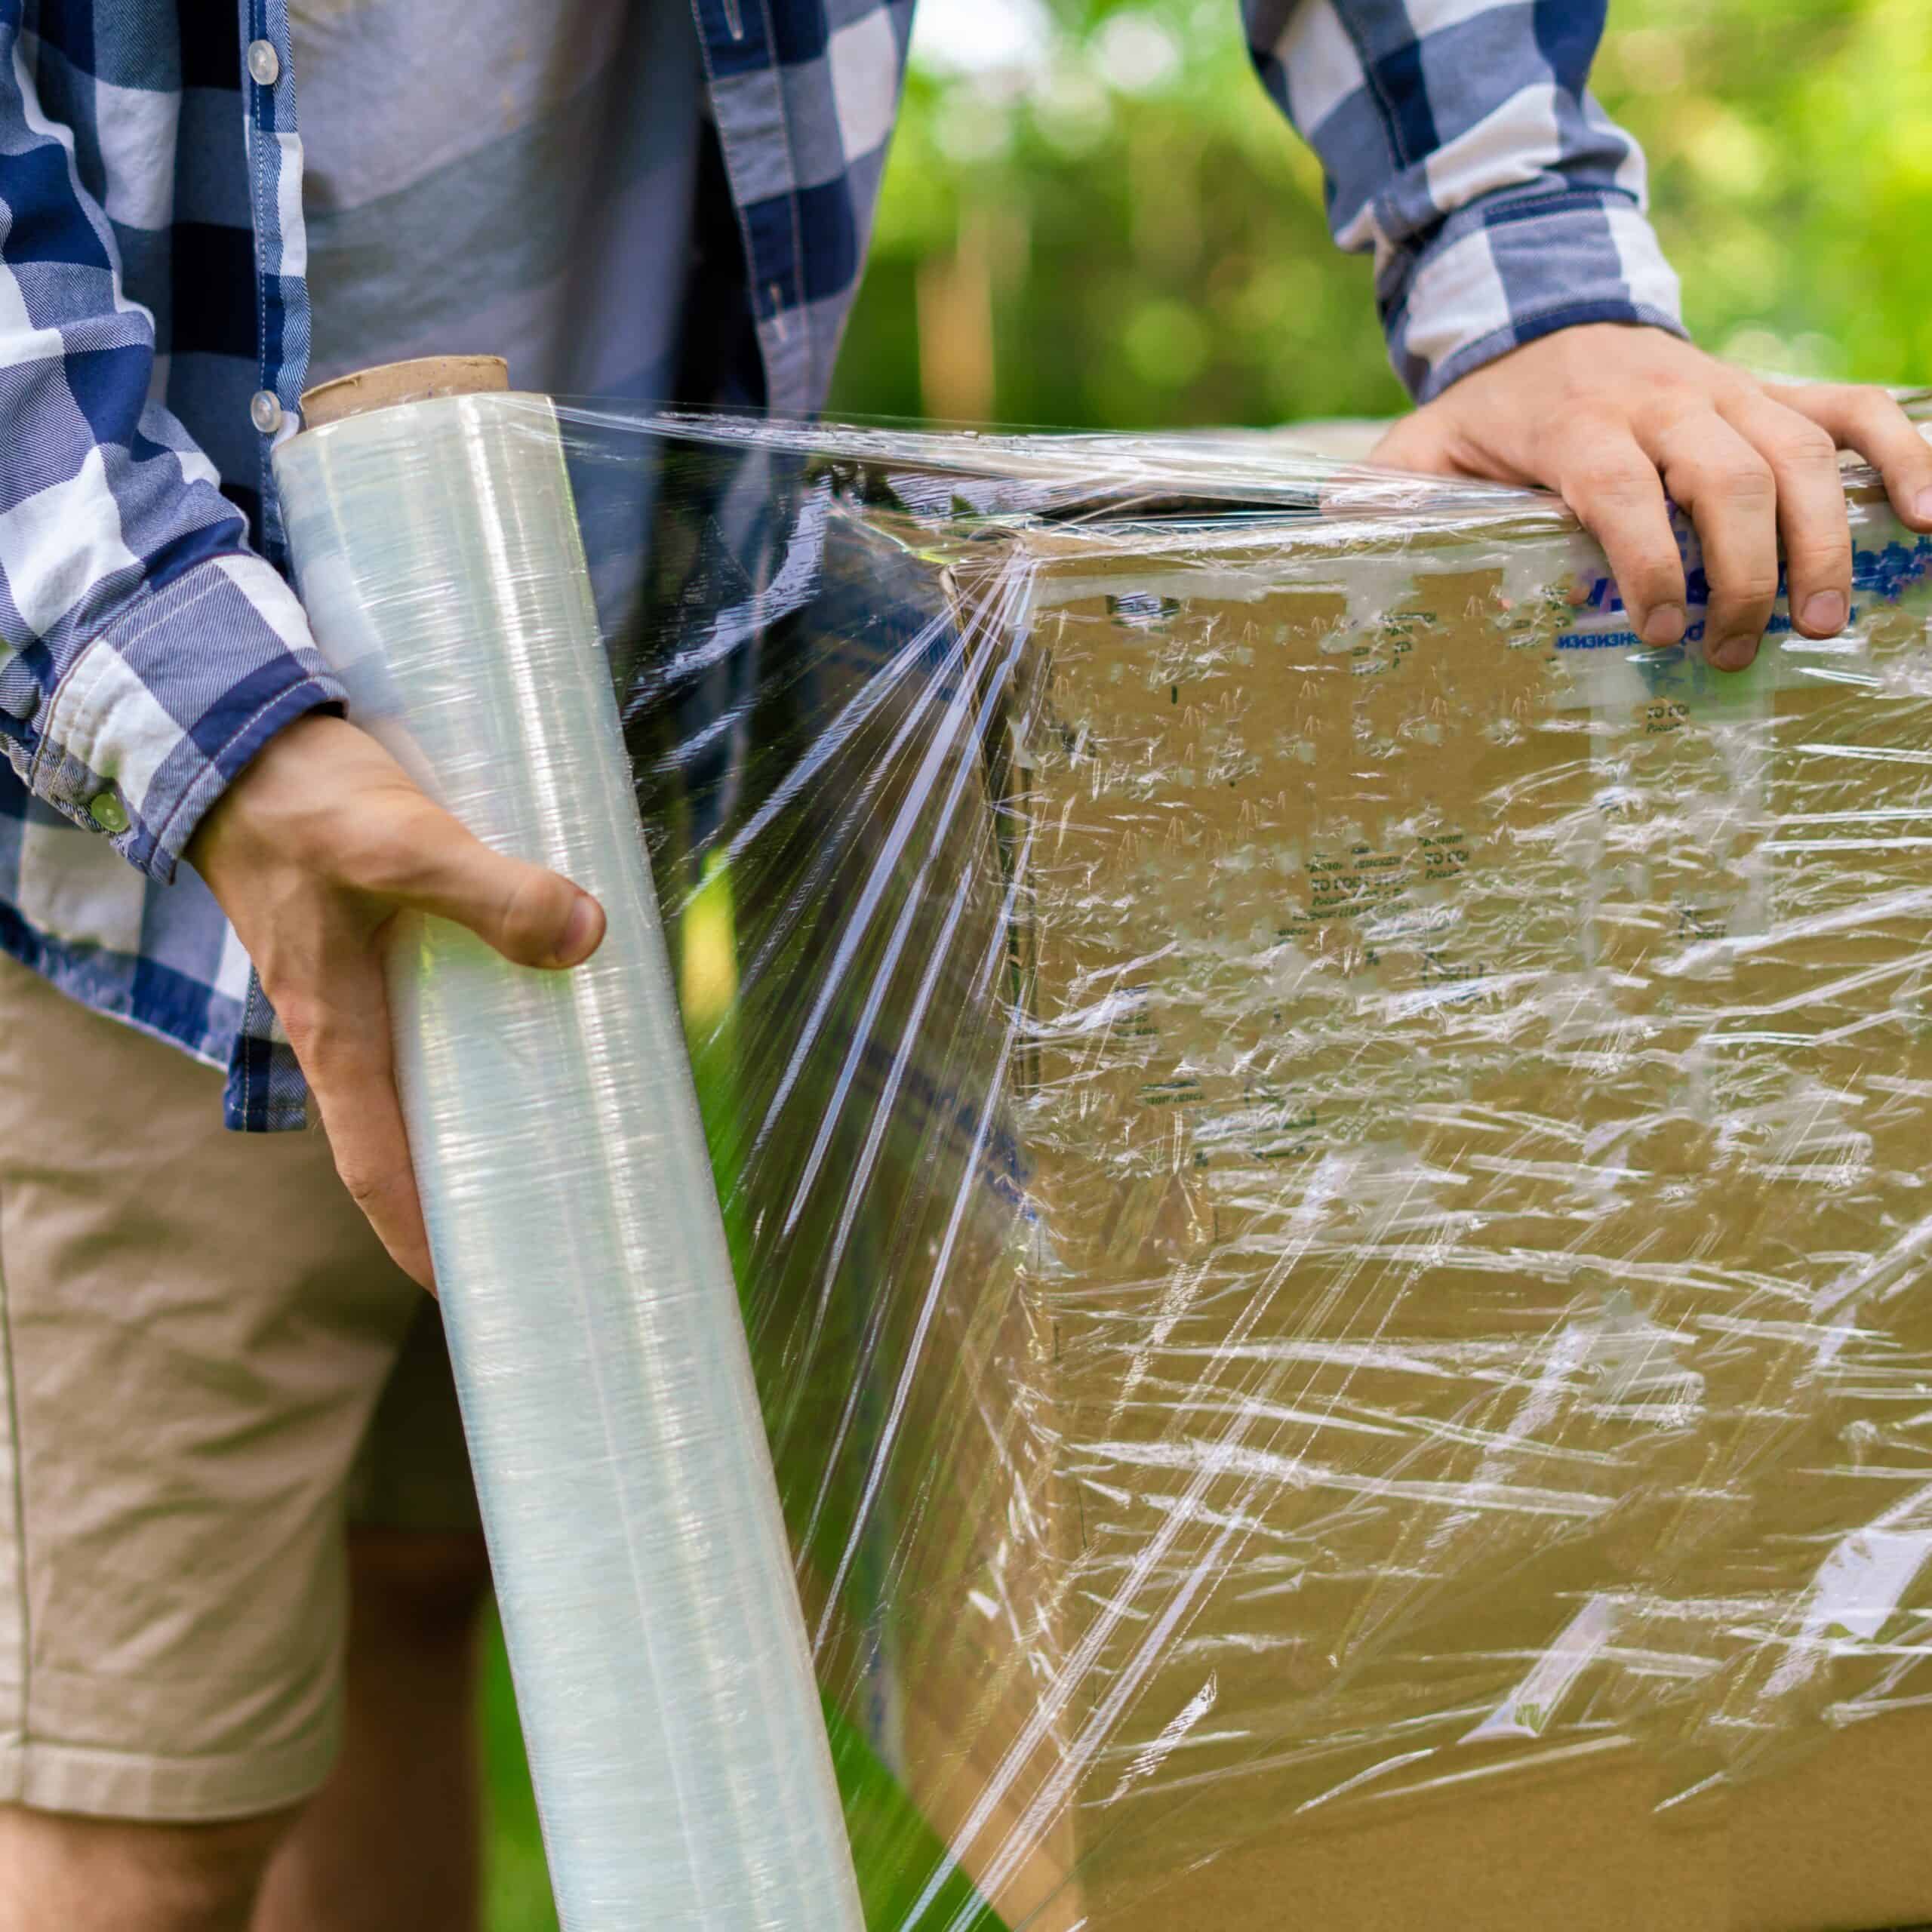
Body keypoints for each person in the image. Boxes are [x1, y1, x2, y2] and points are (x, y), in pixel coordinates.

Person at [0, 2, 1924, 1927]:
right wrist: (206, 724)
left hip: (591, 726)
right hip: (143, 814)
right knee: (138, 1792)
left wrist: (1539, 289)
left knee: (424, 1577)